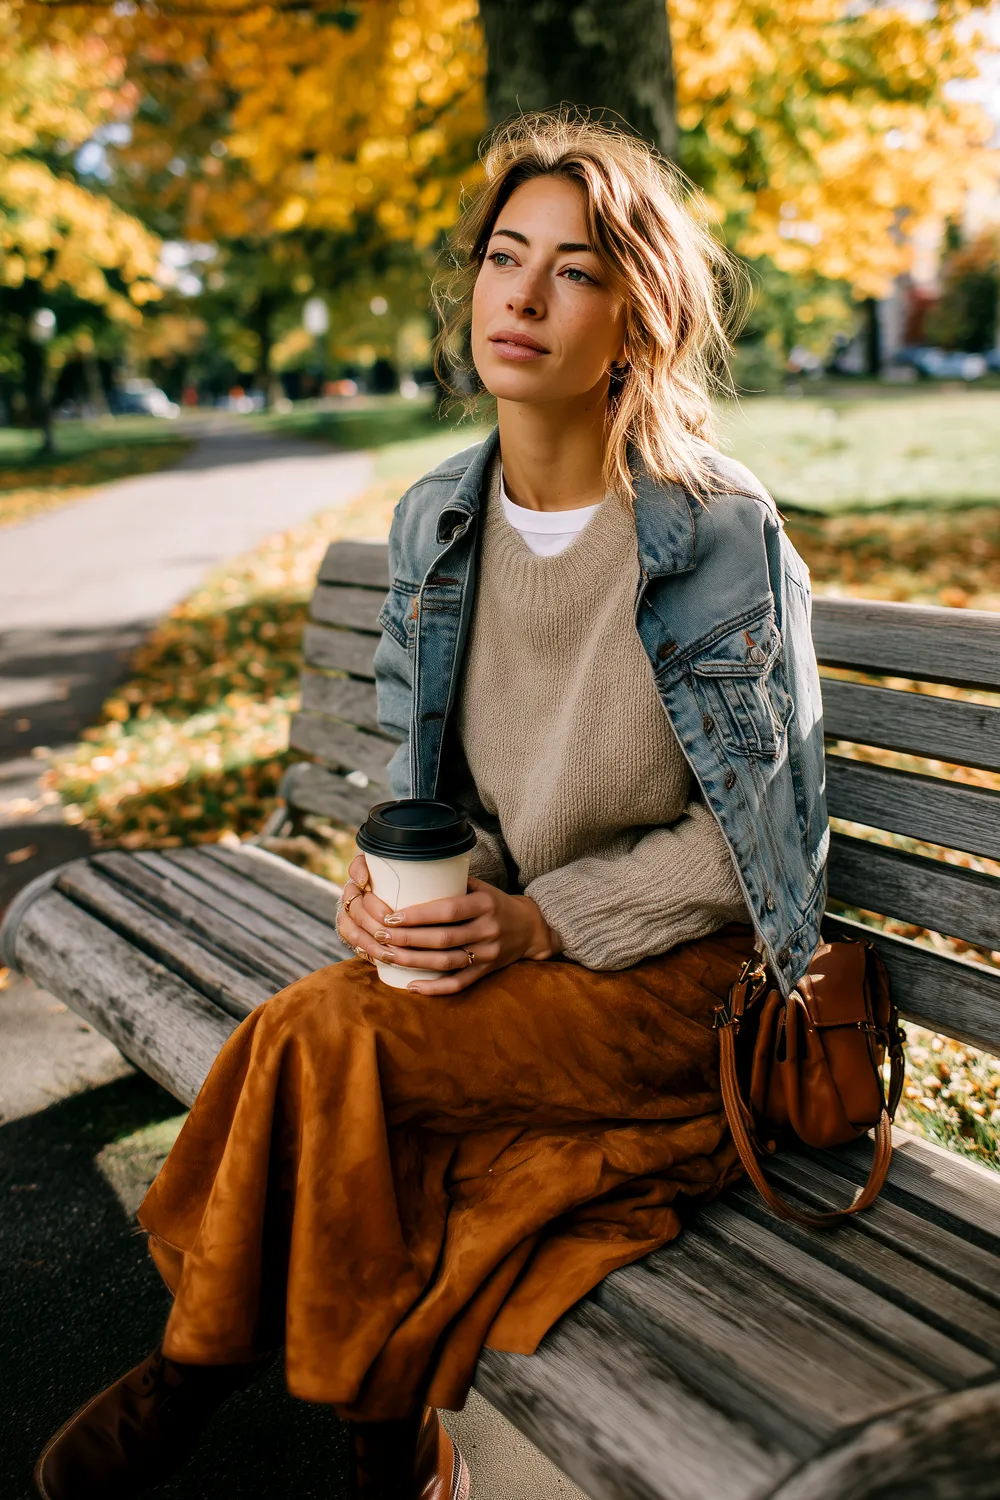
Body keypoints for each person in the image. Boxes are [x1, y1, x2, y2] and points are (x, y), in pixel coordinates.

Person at [34, 111, 828, 1500]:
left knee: (324, 1036)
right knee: (336, 1037)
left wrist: (535, 928)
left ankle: (204, 1370)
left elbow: (760, 857)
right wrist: (385, 886)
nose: (520, 298)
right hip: (499, 961)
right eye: (504, 257)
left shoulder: (715, 533)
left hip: (676, 986)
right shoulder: (437, 518)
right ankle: (376, 1437)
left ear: (637, 317)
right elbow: (425, 799)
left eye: (574, 271)